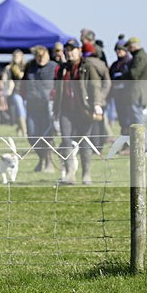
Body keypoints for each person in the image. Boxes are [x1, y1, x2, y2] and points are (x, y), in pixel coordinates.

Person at [52, 40, 109, 185]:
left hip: (83, 110)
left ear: (79, 50)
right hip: (66, 110)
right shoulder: (62, 69)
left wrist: (97, 103)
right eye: (67, 50)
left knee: (85, 141)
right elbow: (57, 89)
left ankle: (86, 174)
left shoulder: (88, 67)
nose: (69, 52)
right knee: (65, 140)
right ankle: (70, 173)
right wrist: (55, 110)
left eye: (72, 49)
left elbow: (98, 85)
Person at [21, 45, 56, 172]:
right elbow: (23, 83)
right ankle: (41, 158)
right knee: (32, 135)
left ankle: (48, 162)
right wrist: (24, 96)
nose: (40, 58)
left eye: (43, 55)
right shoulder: (30, 67)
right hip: (32, 106)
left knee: (47, 135)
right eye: (38, 56)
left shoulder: (54, 67)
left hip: (48, 107)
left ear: (47, 54)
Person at [123, 37, 147, 130]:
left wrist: (123, 75)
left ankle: (143, 145)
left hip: (137, 94)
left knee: (138, 122)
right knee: (136, 121)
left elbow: (134, 74)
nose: (127, 50)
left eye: (128, 47)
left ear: (133, 46)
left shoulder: (140, 57)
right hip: (138, 94)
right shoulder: (141, 56)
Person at [109, 40, 133, 136]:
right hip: (117, 96)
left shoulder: (130, 63)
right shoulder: (115, 65)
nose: (118, 51)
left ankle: (129, 145)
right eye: (117, 49)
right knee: (122, 121)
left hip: (127, 96)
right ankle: (124, 143)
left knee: (128, 121)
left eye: (120, 49)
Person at [2, 48, 27, 136]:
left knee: (25, 109)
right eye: (14, 56)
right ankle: (25, 131)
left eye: (18, 56)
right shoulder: (9, 68)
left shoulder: (26, 67)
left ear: (22, 57)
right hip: (15, 92)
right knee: (20, 108)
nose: (16, 57)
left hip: (25, 92)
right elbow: (5, 80)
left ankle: (20, 128)